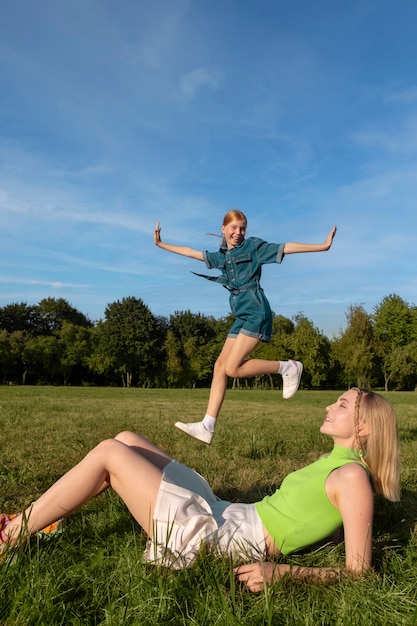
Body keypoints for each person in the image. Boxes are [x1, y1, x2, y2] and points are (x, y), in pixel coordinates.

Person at [1, 389, 400, 590]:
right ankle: (32, 520)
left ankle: (13, 535)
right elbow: (323, 519)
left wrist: (281, 572)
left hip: (224, 538)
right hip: (228, 511)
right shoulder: (339, 465)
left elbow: (359, 573)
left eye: (343, 406)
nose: (330, 407)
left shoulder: (352, 478)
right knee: (126, 438)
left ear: (364, 428)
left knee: (109, 453)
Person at [154, 211, 337, 443]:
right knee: (220, 365)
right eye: (234, 228)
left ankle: (287, 367)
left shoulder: (253, 248)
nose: (238, 233)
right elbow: (192, 252)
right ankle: (207, 426)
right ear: (223, 229)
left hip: (256, 311)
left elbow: (286, 247)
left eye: (242, 228)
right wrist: (161, 244)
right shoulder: (221, 257)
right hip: (241, 314)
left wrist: (321, 246)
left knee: (233, 368)